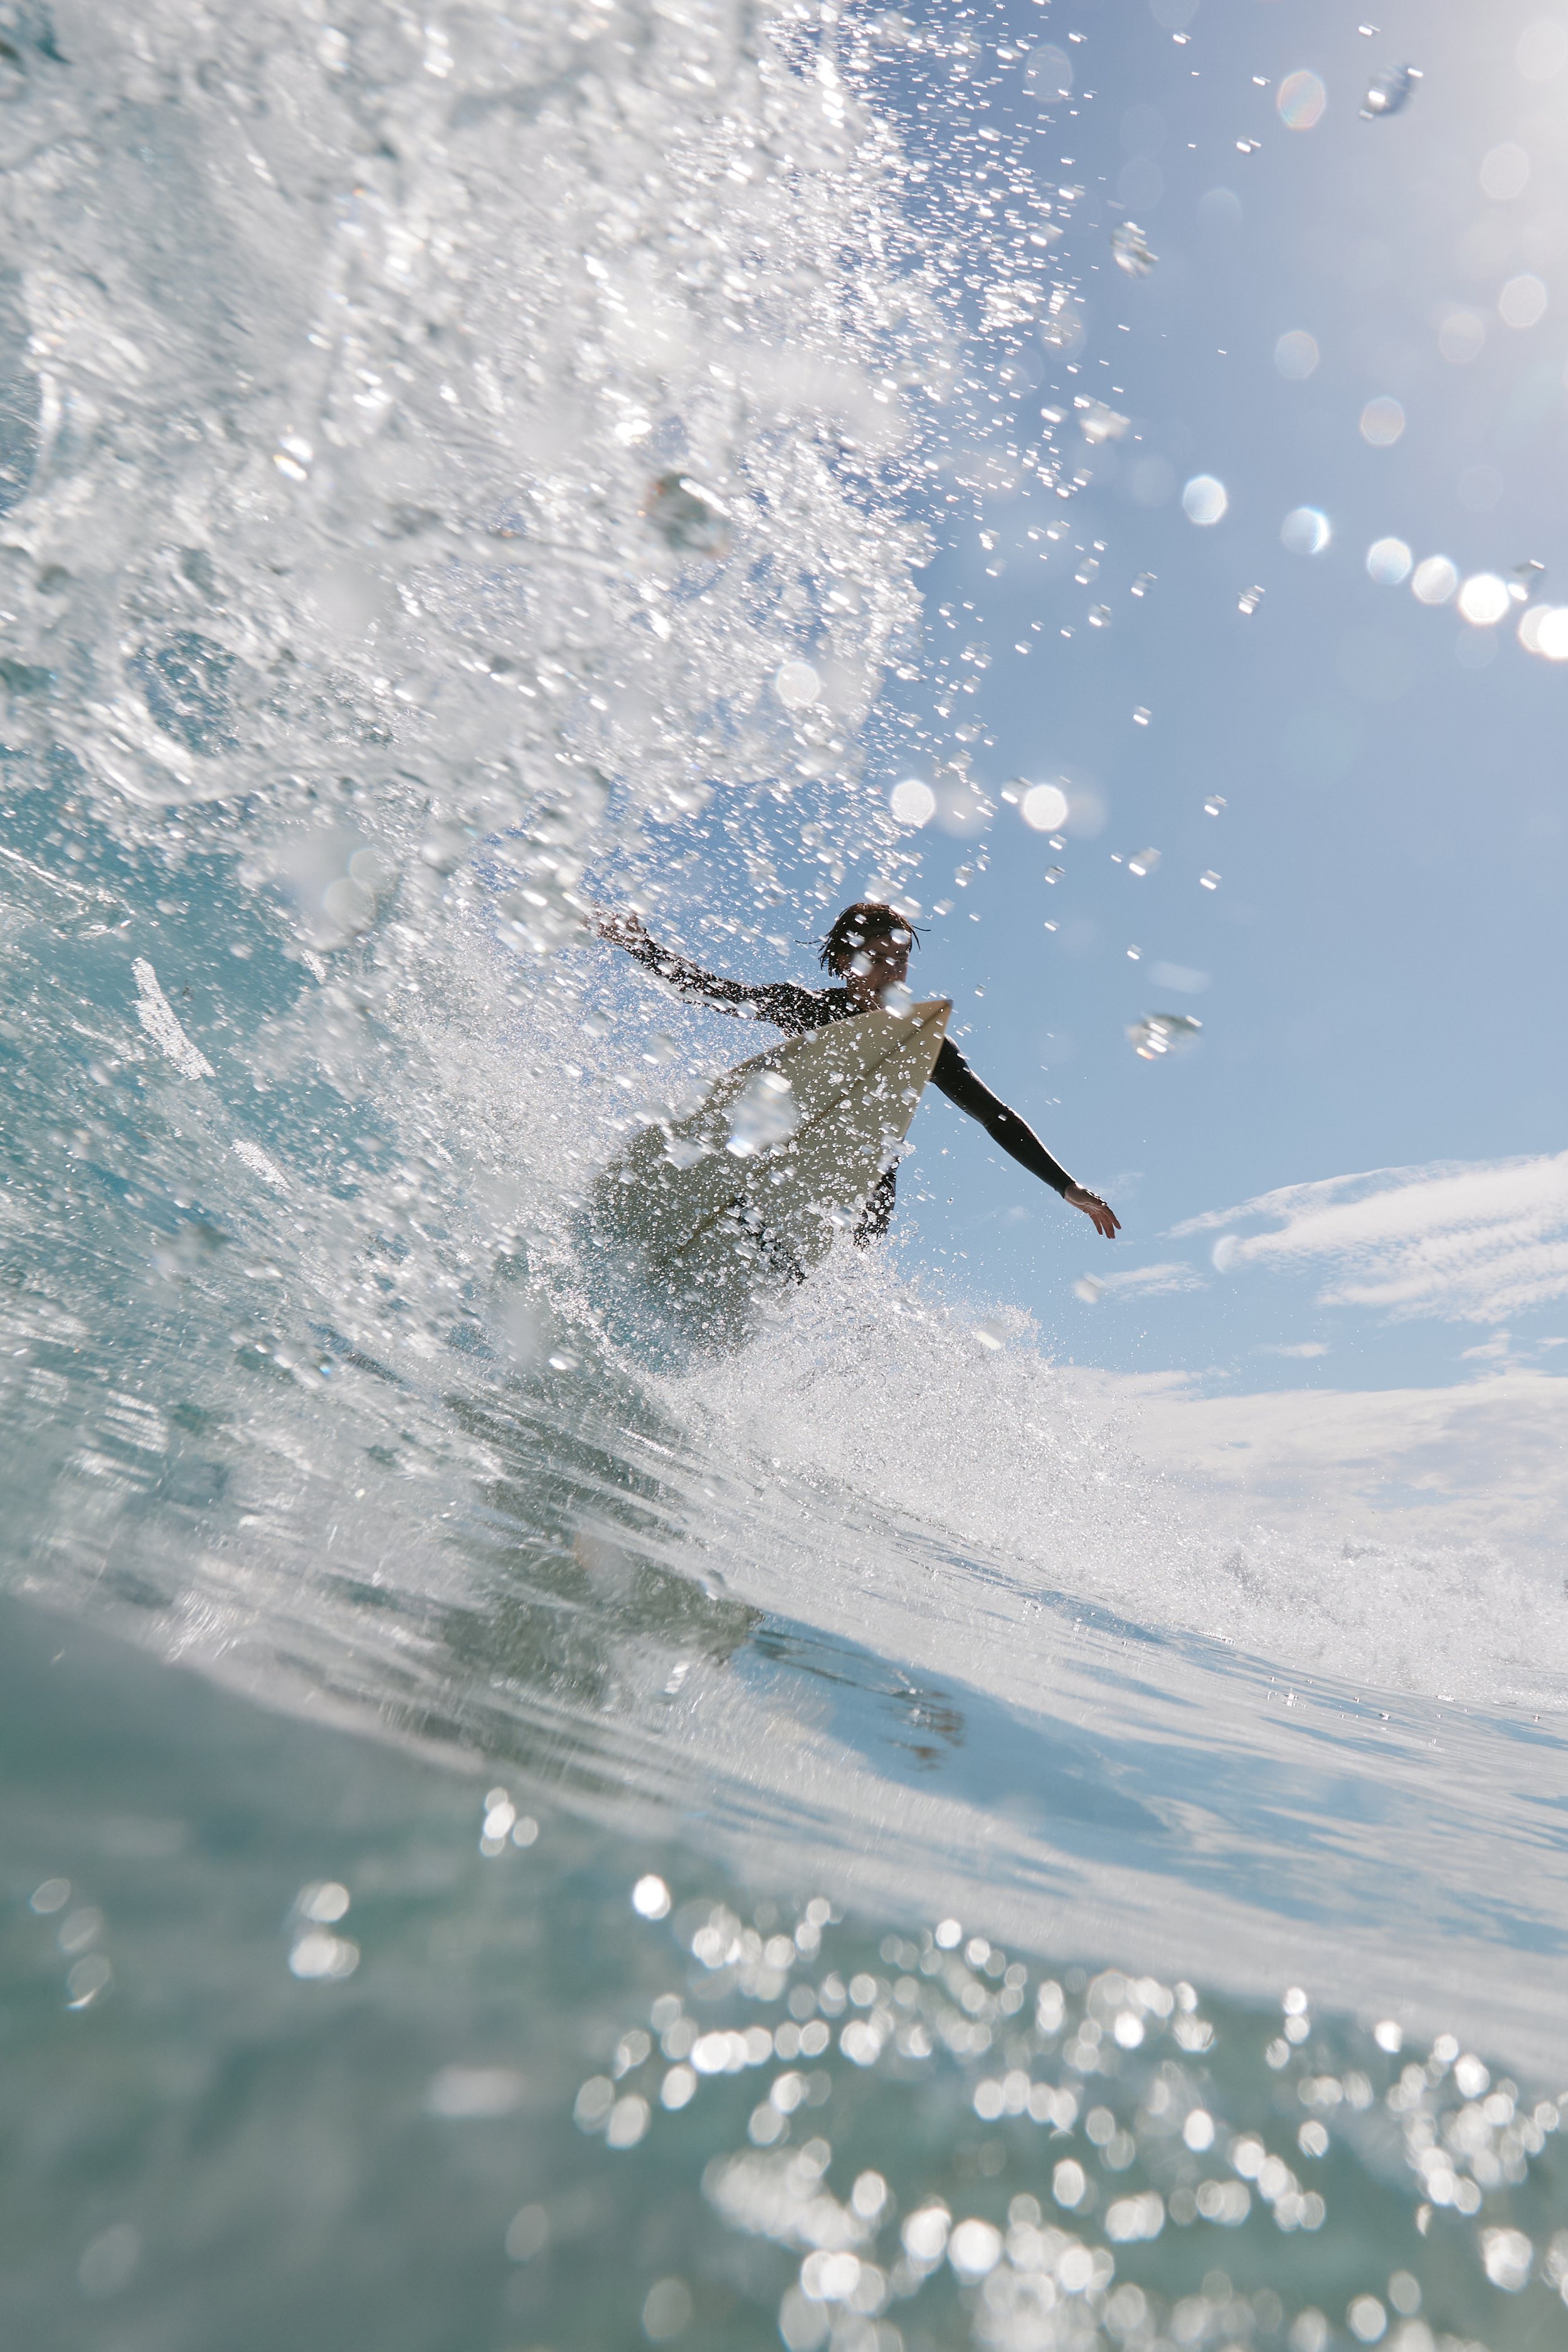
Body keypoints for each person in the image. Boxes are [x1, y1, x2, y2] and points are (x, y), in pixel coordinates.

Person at [592, 899, 1120, 1246]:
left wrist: (1065, 1186)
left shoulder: (920, 1041)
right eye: (878, 956)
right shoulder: (804, 1007)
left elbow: (994, 1116)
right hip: (778, 1155)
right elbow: (715, 992)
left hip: (861, 1198)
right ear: (847, 962)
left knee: (858, 1233)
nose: (893, 969)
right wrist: (639, 944)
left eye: (901, 958)